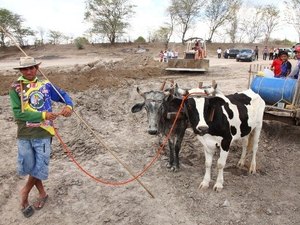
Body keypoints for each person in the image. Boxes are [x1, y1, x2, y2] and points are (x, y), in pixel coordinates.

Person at [9, 56, 73, 218]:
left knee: (40, 165)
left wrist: (68, 106)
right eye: (25, 69)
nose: (29, 71)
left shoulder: (45, 85)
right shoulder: (16, 87)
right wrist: (43, 114)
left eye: (32, 67)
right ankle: (43, 193)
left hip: (44, 132)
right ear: (20, 71)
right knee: (30, 165)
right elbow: (18, 112)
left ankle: (24, 193)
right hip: (25, 132)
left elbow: (64, 95)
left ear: (37, 68)